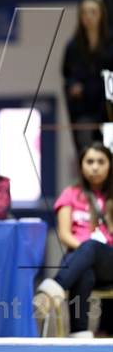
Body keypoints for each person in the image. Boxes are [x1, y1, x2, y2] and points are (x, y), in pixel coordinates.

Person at [34, 142, 113, 337]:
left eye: (101, 162)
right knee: (84, 271)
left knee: (92, 247)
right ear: (81, 165)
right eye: (90, 161)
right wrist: (86, 251)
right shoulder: (70, 194)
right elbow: (64, 234)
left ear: (110, 165)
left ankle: (53, 290)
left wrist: (90, 249)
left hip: (109, 262)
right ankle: (79, 335)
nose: (95, 167)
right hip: (79, 261)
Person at [62, 0, 113, 154]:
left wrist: (89, 88)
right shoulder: (73, 47)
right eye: (84, 12)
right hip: (84, 110)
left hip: (108, 108)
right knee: (87, 152)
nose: (88, 17)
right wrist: (73, 86)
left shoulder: (110, 44)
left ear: (101, 15)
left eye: (93, 12)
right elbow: (67, 75)